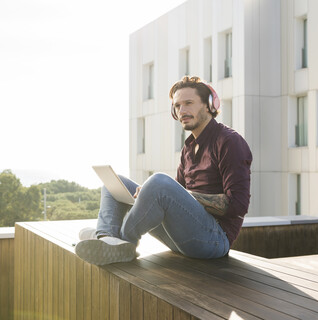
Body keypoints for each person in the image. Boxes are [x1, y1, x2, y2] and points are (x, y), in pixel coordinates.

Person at [75, 76, 253, 265]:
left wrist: (163, 192)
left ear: (209, 105)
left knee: (158, 182)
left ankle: (124, 243)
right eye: (177, 106)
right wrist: (148, 195)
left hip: (214, 240)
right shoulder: (188, 148)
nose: (182, 111)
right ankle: (106, 238)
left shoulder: (229, 142)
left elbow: (238, 205)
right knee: (114, 183)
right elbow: (175, 200)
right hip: (181, 236)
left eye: (188, 103)